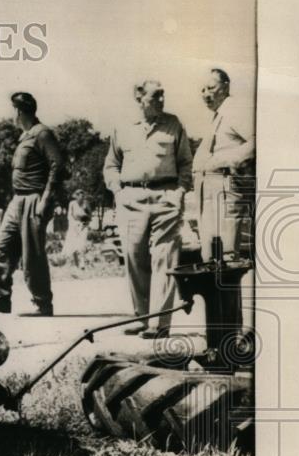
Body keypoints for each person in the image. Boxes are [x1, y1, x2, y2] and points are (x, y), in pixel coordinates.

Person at [103, 80, 193, 339]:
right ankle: (143, 318)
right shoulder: (122, 127)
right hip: (131, 198)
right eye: (156, 96)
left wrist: (180, 191)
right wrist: (118, 191)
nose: (162, 100)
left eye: (163, 95)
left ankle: (159, 324)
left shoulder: (174, 124)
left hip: (166, 197)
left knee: (165, 258)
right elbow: (111, 165)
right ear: (139, 97)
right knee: (134, 257)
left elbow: (186, 162)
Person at [0, 92, 65, 316]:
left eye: (12, 110)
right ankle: (0, 298)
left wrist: (46, 199)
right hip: (17, 200)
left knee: (32, 255)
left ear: (19, 111)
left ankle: (42, 303)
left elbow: (58, 165)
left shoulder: (42, 133)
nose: (11, 114)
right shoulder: (24, 137)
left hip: (34, 199)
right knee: (1, 248)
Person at [194, 68, 255, 260]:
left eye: (211, 88)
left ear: (226, 87)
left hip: (226, 187)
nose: (206, 94)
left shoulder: (236, 111)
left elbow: (258, 141)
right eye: (202, 90)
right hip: (209, 190)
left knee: (227, 257)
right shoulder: (218, 115)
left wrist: (225, 161)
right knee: (211, 257)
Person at [62, 189, 92, 267]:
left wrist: (85, 220)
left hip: (83, 226)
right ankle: (76, 264)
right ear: (76, 196)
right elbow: (69, 215)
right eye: (80, 196)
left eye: (83, 196)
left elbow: (90, 216)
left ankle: (82, 263)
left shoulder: (85, 204)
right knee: (73, 245)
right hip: (73, 226)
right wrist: (73, 225)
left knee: (82, 244)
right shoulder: (72, 204)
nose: (82, 198)